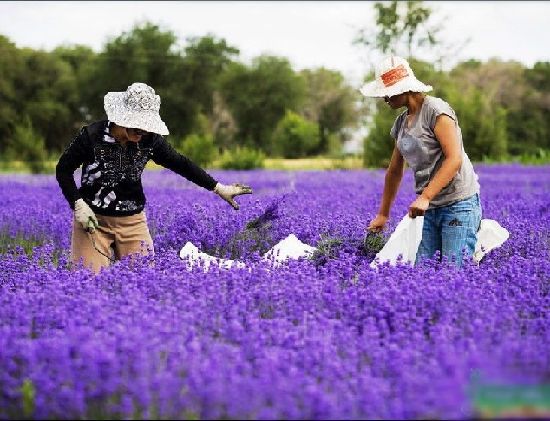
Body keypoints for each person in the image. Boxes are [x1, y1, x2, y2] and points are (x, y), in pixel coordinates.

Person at [56, 82, 252, 273]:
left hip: (132, 221)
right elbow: (63, 169)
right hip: (92, 221)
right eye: (138, 129)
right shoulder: (91, 137)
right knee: (86, 279)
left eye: (146, 129)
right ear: (122, 120)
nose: (142, 134)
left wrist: (219, 188)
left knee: (145, 280)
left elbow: (180, 164)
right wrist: (78, 204)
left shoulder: (150, 140)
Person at [362, 56, 482, 267]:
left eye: (387, 93)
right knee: (423, 273)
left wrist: (425, 196)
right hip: (431, 208)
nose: (384, 99)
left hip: (458, 204)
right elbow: (394, 171)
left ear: (404, 89)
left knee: (452, 272)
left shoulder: (436, 111)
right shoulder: (401, 123)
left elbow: (454, 159)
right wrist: (383, 214)